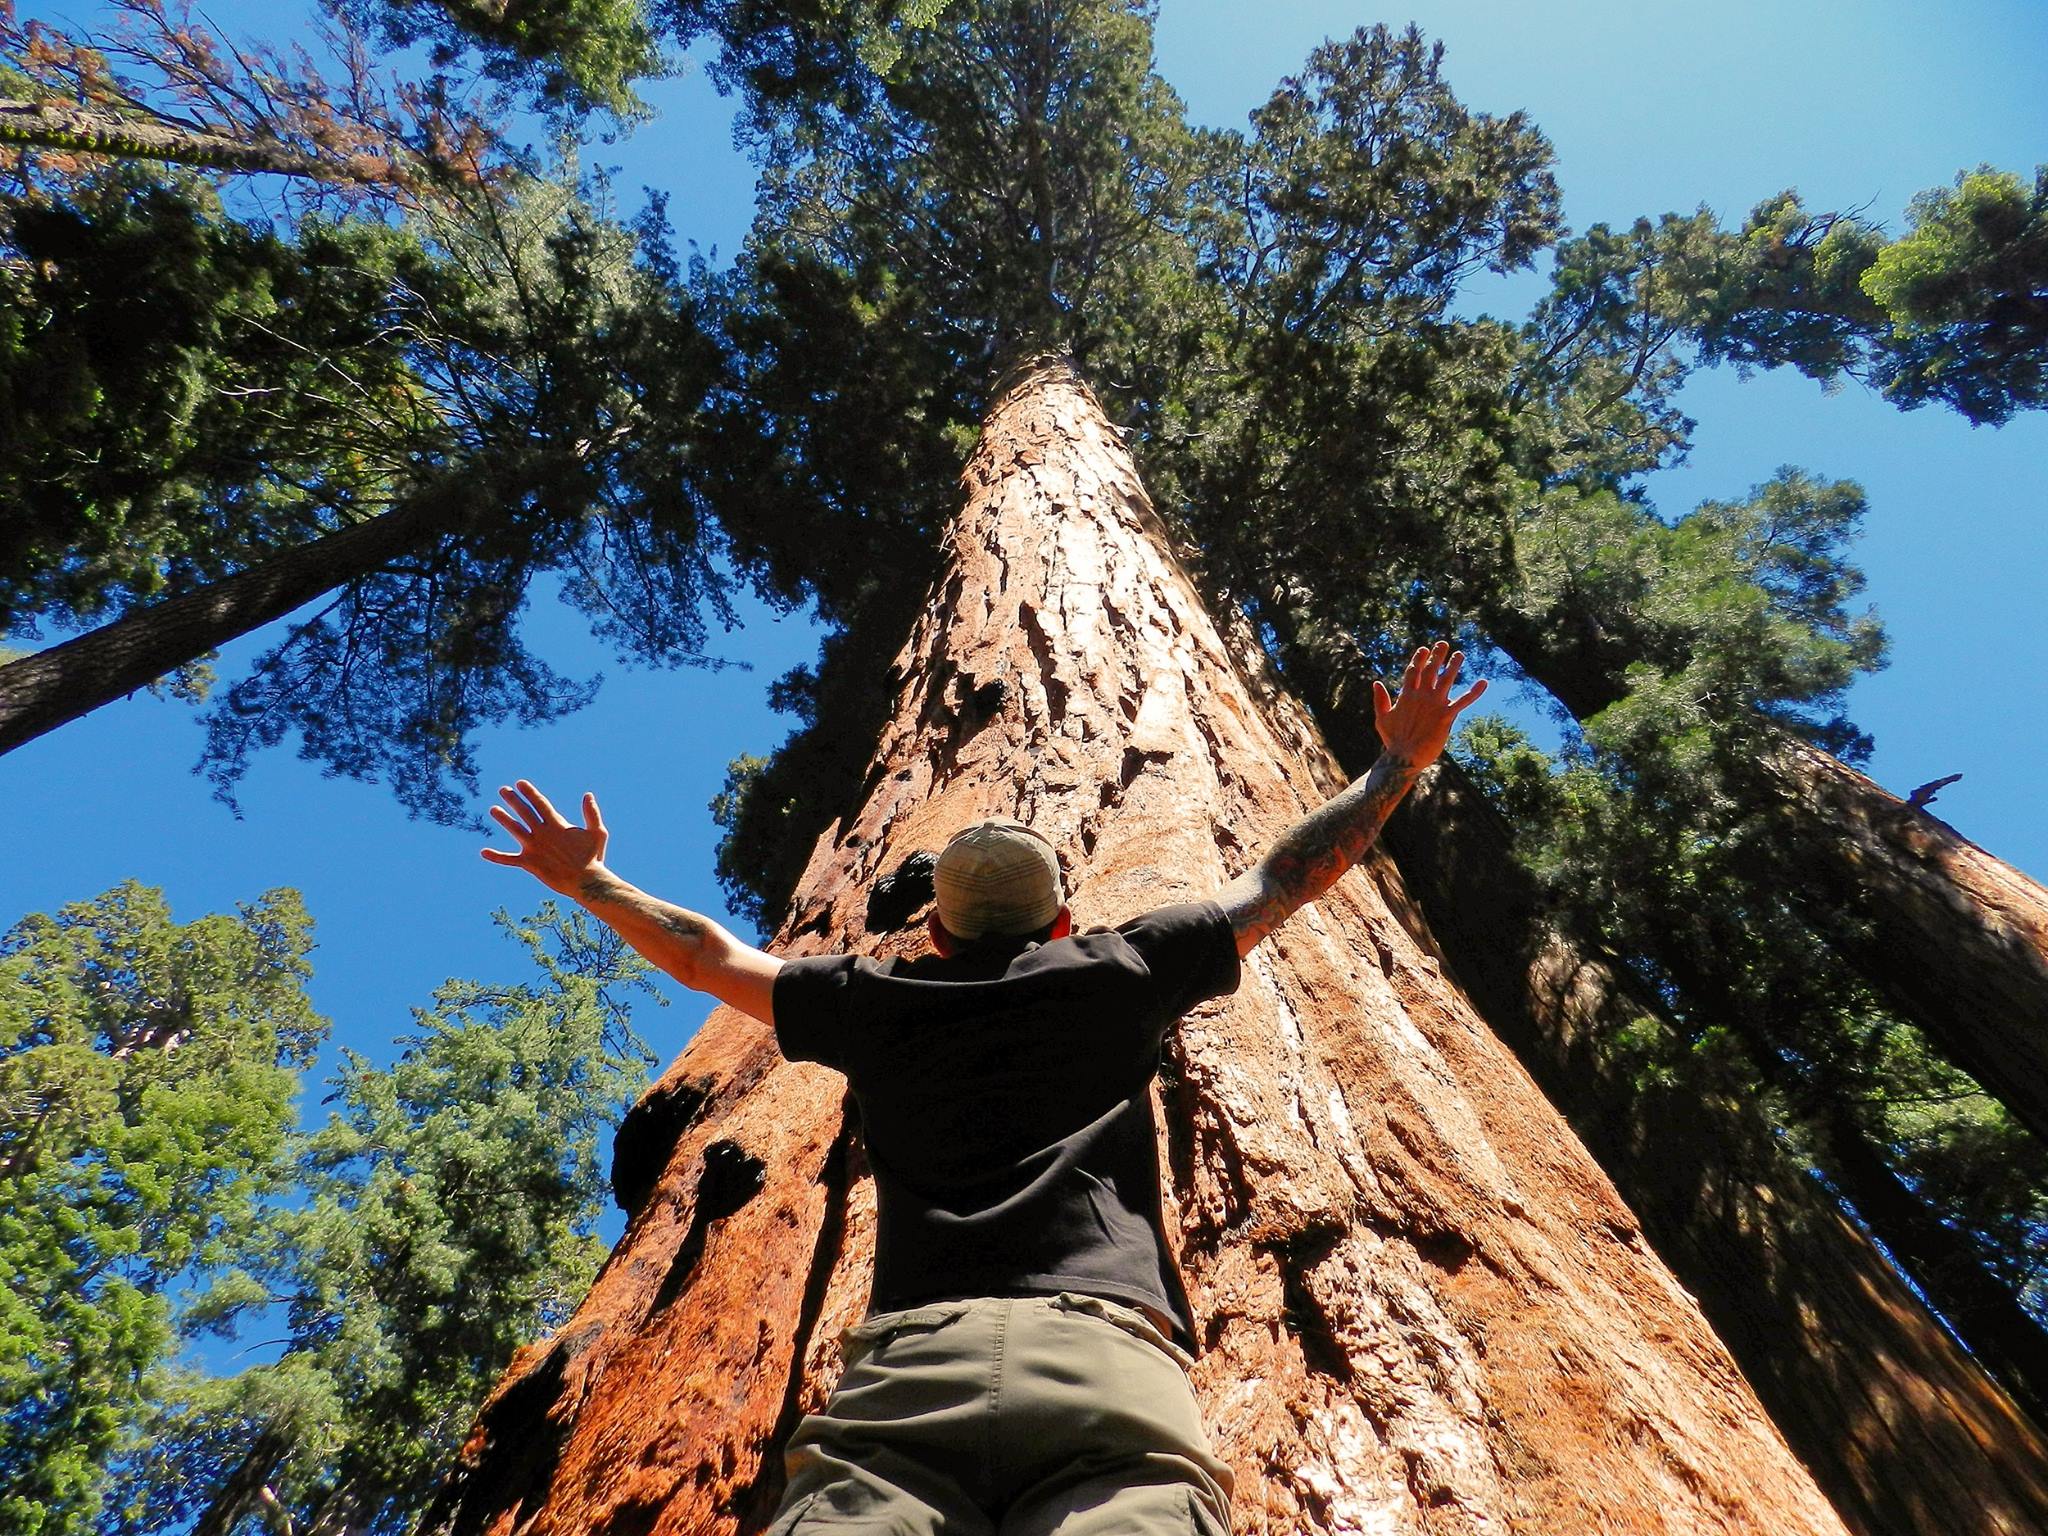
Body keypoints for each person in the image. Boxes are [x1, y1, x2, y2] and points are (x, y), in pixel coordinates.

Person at [483, 640, 1486, 1535]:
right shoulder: (1116, 968)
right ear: (1058, 920)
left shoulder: (874, 999)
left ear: (934, 931)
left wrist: (588, 882)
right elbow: (1286, 877)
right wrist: (1397, 763)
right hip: (1103, 1367)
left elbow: (709, 958)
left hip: (909, 1373)